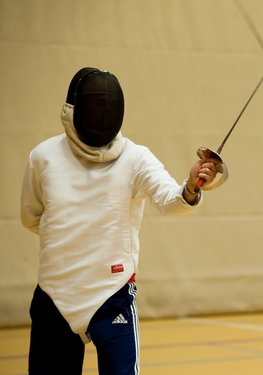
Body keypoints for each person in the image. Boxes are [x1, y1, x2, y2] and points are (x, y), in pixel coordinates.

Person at [21, 67, 220, 375]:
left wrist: (191, 187)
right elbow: (32, 216)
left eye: (107, 107)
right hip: (55, 294)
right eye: (94, 106)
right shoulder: (43, 157)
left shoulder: (135, 158)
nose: (101, 115)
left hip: (111, 292)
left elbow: (172, 201)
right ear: (72, 110)